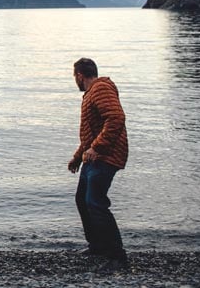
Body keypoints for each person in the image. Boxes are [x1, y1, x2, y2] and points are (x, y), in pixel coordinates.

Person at [68, 58, 129, 273]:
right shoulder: (92, 94)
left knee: (96, 203)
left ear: (79, 75)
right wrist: (77, 157)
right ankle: (97, 246)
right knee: (82, 200)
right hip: (93, 156)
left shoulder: (101, 88)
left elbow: (116, 118)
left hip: (105, 156)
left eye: (74, 76)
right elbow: (89, 135)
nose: (74, 79)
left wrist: (98, 148)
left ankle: (117, 257)